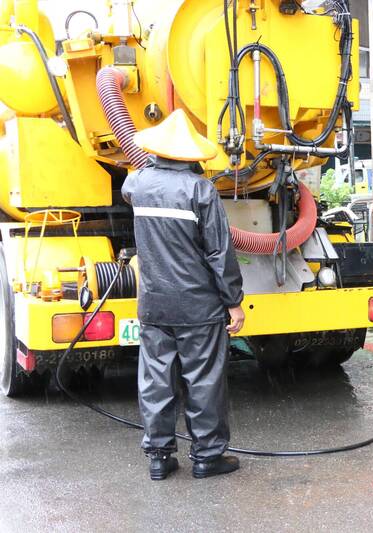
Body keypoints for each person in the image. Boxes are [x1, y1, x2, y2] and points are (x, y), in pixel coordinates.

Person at [121, 109, 246, 481]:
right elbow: (219, 252)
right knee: (203, 379)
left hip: (154, 303)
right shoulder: (200, 190)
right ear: (190, 154)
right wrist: (233, 301)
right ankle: (207, 457)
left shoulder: (137, 185)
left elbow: (130, 183)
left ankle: (159, 457)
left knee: (156, 378)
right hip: (198, 306)